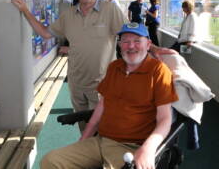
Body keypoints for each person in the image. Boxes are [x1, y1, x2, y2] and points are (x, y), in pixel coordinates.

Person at [12, 0, 175, 131]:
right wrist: (26, 10)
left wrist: (153, 49)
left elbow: (130, 35)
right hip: (76, 82)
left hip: (102, 83)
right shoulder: (67, 15)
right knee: (83, 124)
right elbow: (45, 33)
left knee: (104, 126)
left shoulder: (110, 9)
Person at [41, 23, 178, 169]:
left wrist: (149, 148)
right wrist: (84, 139)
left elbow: (165, 119)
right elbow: (102, 106)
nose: (131, 46)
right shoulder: (114, 67)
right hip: (100, 141)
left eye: (137, 41)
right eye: (125, 41)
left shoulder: (158, 71)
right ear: (120, 45)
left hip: (131, 147)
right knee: (50, 161)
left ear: (148, 44)